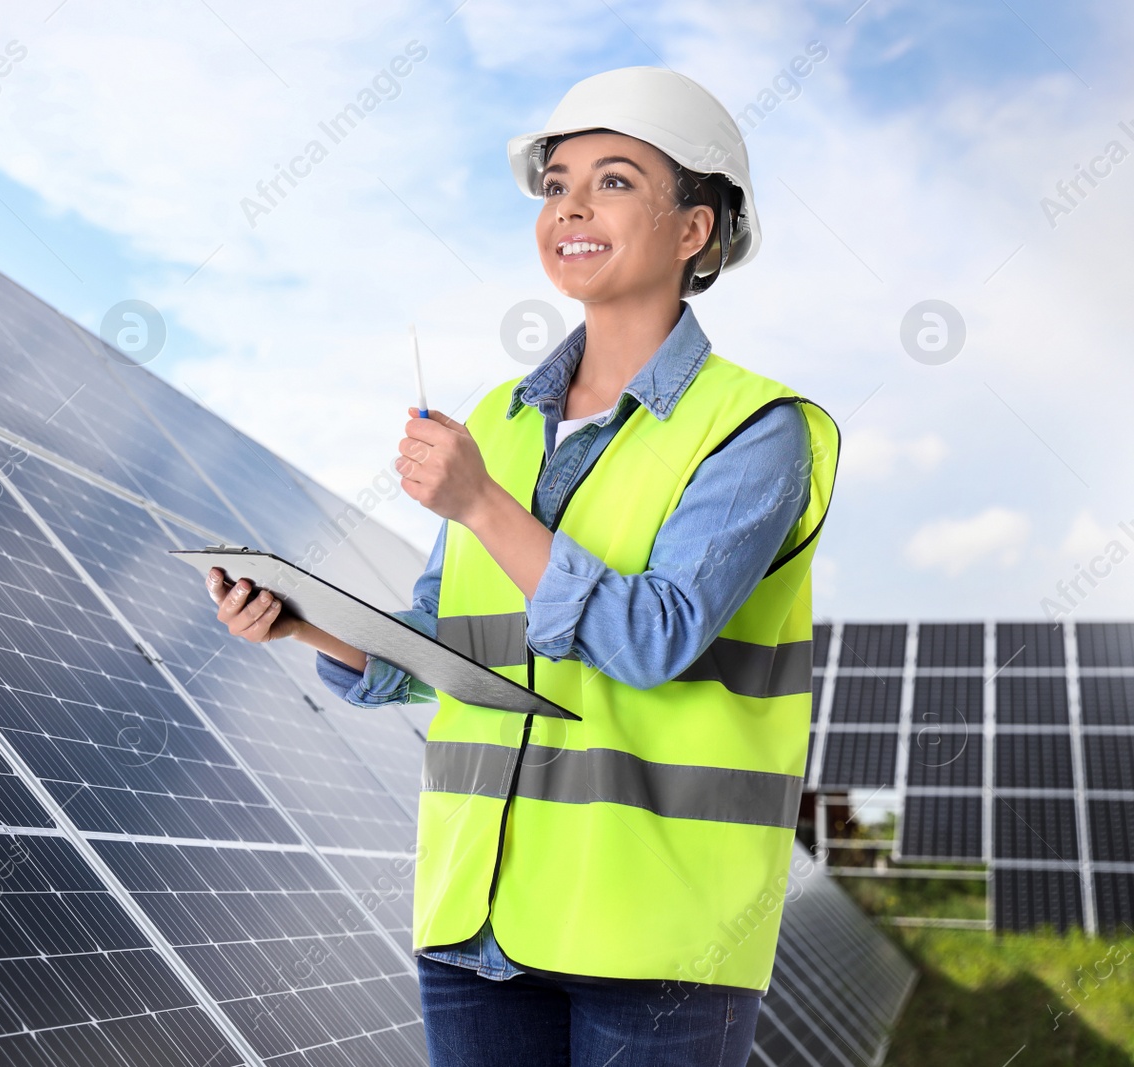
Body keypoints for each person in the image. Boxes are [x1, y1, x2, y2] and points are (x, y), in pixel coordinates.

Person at [202, 66, 840, 1067]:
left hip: (657, 937)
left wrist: (480, 503)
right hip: (477, 917)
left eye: (615, 180)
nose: (571, 205)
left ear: (694, 229)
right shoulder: (497, 418)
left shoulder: (758, 432)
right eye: (555, 184)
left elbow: (652, 638)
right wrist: (300, 621)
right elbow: (448, 649)